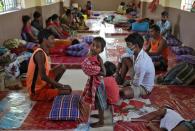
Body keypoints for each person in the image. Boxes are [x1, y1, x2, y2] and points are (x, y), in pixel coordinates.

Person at [26, 29, 72, 101]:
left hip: (43, 83)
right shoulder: (40, 54)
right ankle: (52, 89)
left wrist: (57, 84)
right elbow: (43, 77)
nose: (54, 41)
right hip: (36, 92)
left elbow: (47, 70)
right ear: (44, 39)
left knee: (61, 67)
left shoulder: (44, 51)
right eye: (52, 38)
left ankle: (52, 88)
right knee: (67, 91)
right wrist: (61, 86)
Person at [118, 33, 155, 99]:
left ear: (136, 46)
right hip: (137, 77)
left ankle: (123, 86)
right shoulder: (136, 52)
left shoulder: (141, 62)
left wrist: (129, 82)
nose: (127, 47)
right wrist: (117, 71)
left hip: (143, 87)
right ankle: (121, 80)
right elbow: (122, 57)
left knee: (123, 93)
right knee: (125, 59)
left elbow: (137, 83)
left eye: (128, 45)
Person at [79, 37, 106, 127]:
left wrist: (97, 70)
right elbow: (86, 64)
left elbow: (104, 72)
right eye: (93, 45)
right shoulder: (91, 55)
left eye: (97, 47)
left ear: (101, 50)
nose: (94, 47)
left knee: (99, 101)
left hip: (97, 83)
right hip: (94, 81)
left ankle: (101, 121)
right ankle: (100, 115)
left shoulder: (98, 58)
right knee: (97, 100)